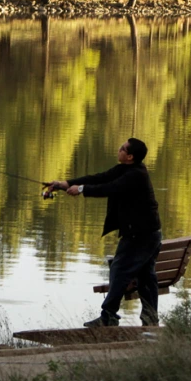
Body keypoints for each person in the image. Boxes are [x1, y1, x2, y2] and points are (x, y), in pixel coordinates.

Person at [44, 138, 162, 327]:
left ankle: (108, 316)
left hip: (140, 235)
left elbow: (110, 188)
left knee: (119, 269)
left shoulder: (135, 175)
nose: (119, 149)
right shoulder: (126, 170)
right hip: (148, 234)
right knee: (146, 276)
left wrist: (81, 189)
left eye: (123, 148)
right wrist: (64, 183)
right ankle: (150, 318)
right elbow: (99, 178)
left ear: (130, 156)